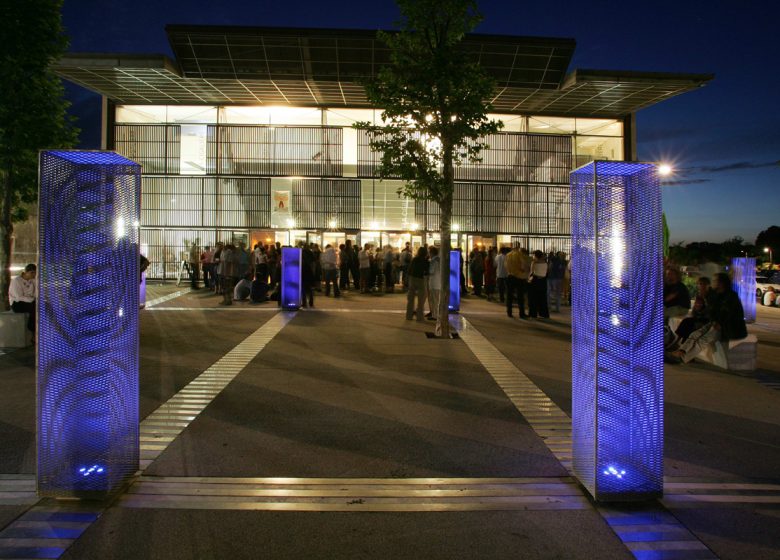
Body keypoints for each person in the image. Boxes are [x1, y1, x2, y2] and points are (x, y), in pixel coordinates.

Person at [666, 272, 748, 364]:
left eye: (715, 281)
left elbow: (729, 314)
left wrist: (719, 323)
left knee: (703, 339)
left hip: (729, 327)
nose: (713, 282)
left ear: (721, 283)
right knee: (695, 334)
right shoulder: (716, 295)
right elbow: (711, 312)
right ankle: (680, 351)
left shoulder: (731, 296)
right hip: (715, 322)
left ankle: (682, 358)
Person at [670, 277, 713, 346]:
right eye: (700, 284)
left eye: (703, 284)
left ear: (708, 285)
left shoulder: (711, 295)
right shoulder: (699, 294)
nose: (701, 286)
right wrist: (695, 313)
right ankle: (677, 341)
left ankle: (683, 345)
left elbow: (710, 309)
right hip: (699, 316)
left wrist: (704, 300)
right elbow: (696, 307)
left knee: (691, 326)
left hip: (708, 318)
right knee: (685, 321)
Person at [9, 264, 37, 337]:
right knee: (34, 307)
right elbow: (18, 297)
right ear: (27, 272)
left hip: (30, 301)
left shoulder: (33, 280)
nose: (34, 275)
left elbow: (36, 293)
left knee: (42, 305)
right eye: (32, 273)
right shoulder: (16, 281)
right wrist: (32, 299)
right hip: (17, 303)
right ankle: (32, 329)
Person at [505, 245, 530, 318]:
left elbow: (505, 265)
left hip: (510, 276)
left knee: (509, 295)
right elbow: (523, 265)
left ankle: (509, 312)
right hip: (519, 277)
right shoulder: (519, 254)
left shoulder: (508, 255)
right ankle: (521, 313)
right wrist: (523, 270)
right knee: (520, 296)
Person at [406, 246, 429, 321]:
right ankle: (419, 317)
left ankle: (409, 316)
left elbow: (409, 269)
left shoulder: (414, 259)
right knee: (421, 300)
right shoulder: (426, 261)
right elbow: (427, 271)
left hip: (412, 279)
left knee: (411, 299)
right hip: (421, 279)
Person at [528, 250, 550, 319]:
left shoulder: (534, 263)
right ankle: (544, 313)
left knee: (533, 298)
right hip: (543, 281)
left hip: (535, 280)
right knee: (543, 298)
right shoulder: (545, 263)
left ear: (535, 255)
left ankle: (533, 313)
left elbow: (531, 272)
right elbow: (546, 272)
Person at [427, 246, 441, 320]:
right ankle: (435, 314)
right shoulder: (439, 260)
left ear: (432, 253)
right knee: (437, 300)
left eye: (429, 252)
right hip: (439, 283)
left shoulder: (433, 261)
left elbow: (431, 272)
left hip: (434, 283)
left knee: (434, 300)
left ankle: (434, 315)